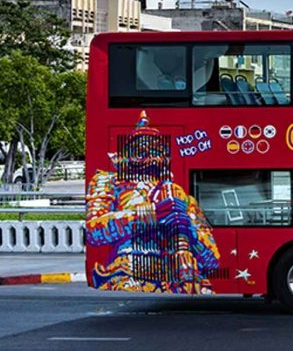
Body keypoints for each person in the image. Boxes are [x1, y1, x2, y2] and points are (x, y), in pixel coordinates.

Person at [86, 111, 219, 293]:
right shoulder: (109, 181)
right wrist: (152, 213)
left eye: (156, 151)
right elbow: (94, 230)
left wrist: (190, 231)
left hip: (181, 276)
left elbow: (213, 260)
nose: (148, 156)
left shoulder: (179, 195)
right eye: (140, 151)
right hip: (129, 271)